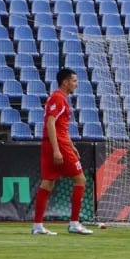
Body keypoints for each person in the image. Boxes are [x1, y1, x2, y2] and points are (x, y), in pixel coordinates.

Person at [33, 68, 93, 235]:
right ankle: (74, 223)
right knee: (80, 179)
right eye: (74, 81)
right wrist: (57, 150)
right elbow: (50, 123)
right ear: (65, 82)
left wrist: (71, 145)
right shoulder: (58, 98)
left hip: (53, 144)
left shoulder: (58, 98)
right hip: (57, 145)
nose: (76, 84)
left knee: (48, 183)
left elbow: (60, 126)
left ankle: (37, 226)